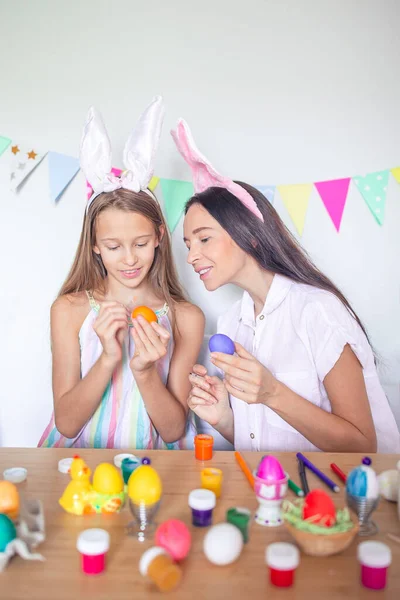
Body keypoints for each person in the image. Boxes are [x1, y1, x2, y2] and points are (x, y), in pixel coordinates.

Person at [171, 118, 400, 453]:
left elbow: (361, 444)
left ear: (248, 234)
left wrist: (273, 392)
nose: (192, 256)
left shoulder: (317, 311)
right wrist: (224, 418)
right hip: (278, 496)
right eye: (189, 244)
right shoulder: (232, 322)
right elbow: (264, 445)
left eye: (204, 238)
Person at [39, 99, 204, 449]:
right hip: (78, 472)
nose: (129, 259)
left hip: (154, 469)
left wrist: (144, 372)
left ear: (159, 236)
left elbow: (174, 430)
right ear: (95, 246)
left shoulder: (185, 318)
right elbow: (67, 423)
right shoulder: (69, 310)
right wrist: (109, 358)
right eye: (113, 247)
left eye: (141, 243)